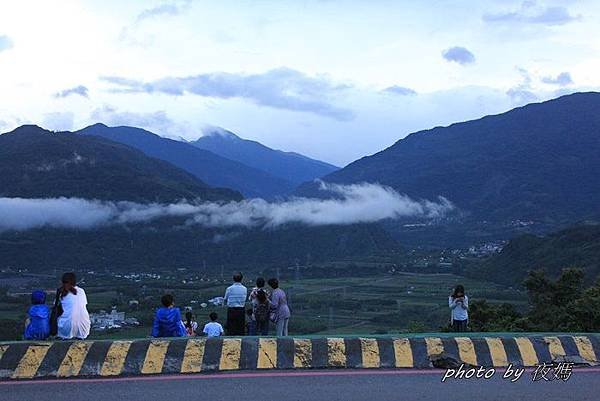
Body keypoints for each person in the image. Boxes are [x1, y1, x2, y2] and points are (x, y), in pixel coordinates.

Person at [57, 272, 91, 340]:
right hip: (83, 328)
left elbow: (56, 309)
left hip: (66, 327)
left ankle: (63, 336)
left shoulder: (61, 293)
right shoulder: (81, 291)